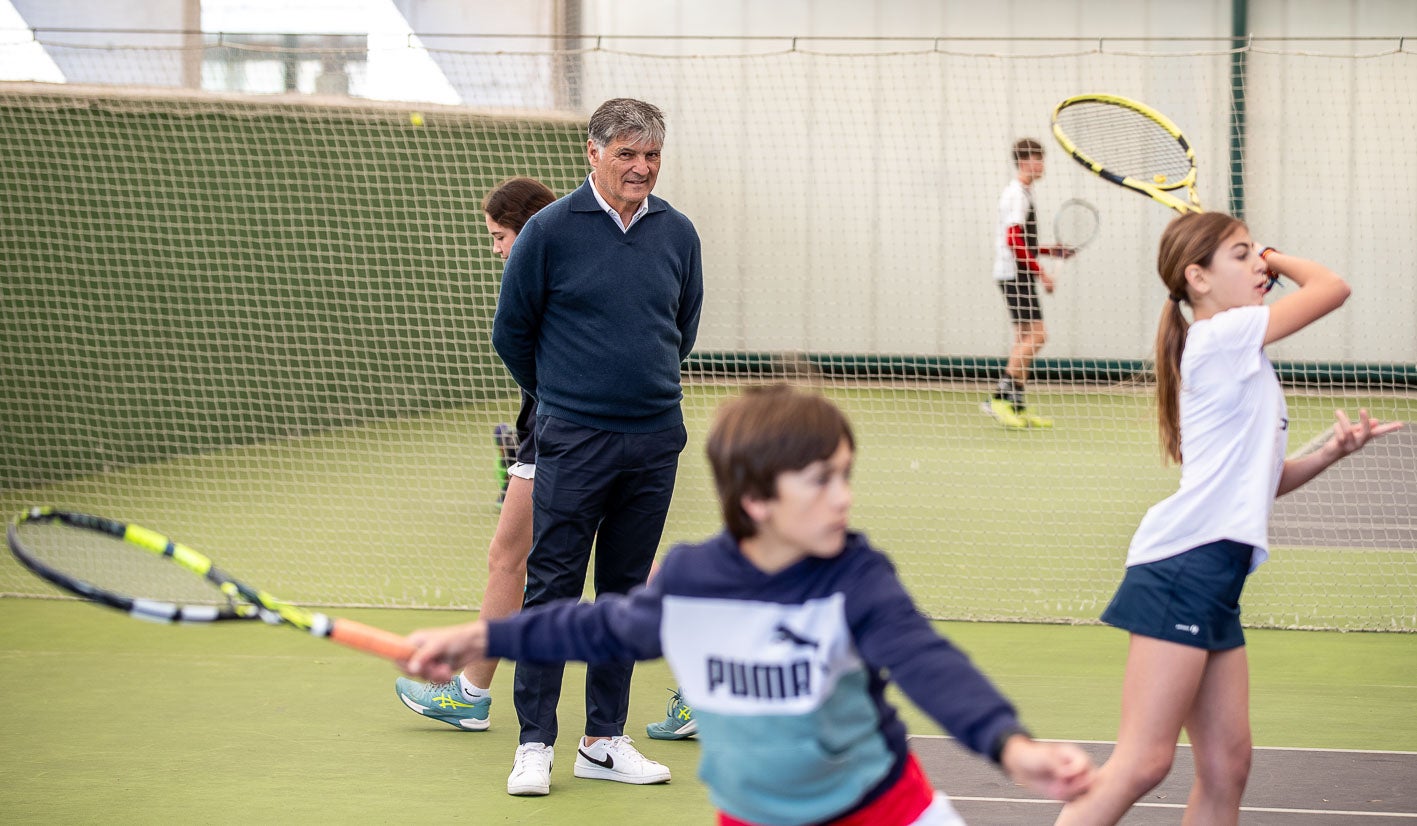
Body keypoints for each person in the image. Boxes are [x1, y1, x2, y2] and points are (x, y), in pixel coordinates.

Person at [398, 385, 1095, 824]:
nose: (843, 497)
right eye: (821, 482)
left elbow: (927, 664)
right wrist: (480, 638)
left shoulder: (856, 576)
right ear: (757, 502)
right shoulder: (693, 580)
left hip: (885, 809)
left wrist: (1009, 745)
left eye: (845, 476)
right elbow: (600, 626)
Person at [1054, 212, 1404, 826]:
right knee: (1142, 763)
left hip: (1216, 576)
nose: (1260, 266)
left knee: (1226, 768)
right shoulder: (1222, 337)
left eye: (1255, 255)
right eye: (1242, 256)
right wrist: (1275, 248)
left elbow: (1262, 483)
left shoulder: (1237, 352)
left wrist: (1330, 451)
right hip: (1183, 569)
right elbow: (1332, 287)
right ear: (1198, 278)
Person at [489, 97, 704, 796]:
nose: (641, 168)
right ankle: (533, 744)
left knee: (622, 593)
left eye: (651, 157)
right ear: (592, 153)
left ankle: (603, 740)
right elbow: (511, 334)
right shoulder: (548, 233)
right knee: (552, 589)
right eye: (627, 155)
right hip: (573, 439)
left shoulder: (679, 234)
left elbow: (681, 326)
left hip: (653, 441)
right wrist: (565, 398)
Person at [394, 177, 557, 731]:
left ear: (528, 229)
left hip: (558, 437)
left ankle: (468, 693)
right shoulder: (574, 265)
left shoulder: (537, 275)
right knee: (614, 565)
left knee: (507, 560)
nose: (496, 248)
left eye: (499, 235)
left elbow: (517, 348)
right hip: (583, 435)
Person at [984, 138, 1074, 430]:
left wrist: (1050, 251)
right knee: (1038, 336)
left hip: (1016, 272)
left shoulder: (1024, 193)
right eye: (1038, 159)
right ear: (1025, 162)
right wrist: (1042, 273)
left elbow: (1022, 242)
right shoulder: (1017, 195)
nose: (1042, 165)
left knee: (1023, 339)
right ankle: (999, 397)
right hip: (1015, 274)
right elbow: (1013, 242)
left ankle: (1016, 406)